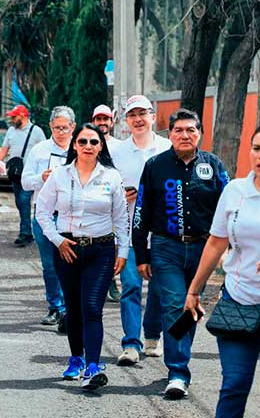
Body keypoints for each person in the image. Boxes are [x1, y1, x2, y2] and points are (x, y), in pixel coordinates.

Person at [185, 124, 260, 417]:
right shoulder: (235, 191)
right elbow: (216, 243)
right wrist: (195, 290)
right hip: (238, 302)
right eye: (257, 148)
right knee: (234, 384)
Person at [132, 108, 229, 399]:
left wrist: (229, 249)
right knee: (175, 304)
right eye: (179, 130)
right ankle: (177, 372)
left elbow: (228, 207)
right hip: (166, 248)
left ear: (199, 133)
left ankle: (177, 354)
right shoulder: (155, 166)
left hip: (204, 248)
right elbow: (141, 212)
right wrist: (141, 254)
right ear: (170, 134)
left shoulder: (213, 165)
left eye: (191, 130)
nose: (185, 135)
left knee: (192, 306)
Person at [36, 122, 128, 390]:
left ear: (101, 147)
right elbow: (42, 212)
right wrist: (57, 240)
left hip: (100, 250)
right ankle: (76, 359)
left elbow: (121, 218)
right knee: (73, 308)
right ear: (74, 144)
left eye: (94, 142)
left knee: (91, 307)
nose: (88, 146)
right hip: (67, 250)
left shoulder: (111, 177)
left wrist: (122, 252)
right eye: (83, 141)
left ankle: (93, 366)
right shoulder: (60, 176)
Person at [110, 95, 170, 366]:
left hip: (161, 234)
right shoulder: (117, 153)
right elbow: (107, 189)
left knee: (158, 289)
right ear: (126, 121)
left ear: (153, 116)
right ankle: (131, 344)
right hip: (130, 231)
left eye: (142, 113)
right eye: (132, 115)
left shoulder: (167, 148)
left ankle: (153, 336)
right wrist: (122, 195)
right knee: (131, 287)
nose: (138, 119)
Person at [21, 106, 74, 328]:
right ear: (50, 127)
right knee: (50, 264)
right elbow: (25, 182)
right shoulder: (40, 150)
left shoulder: (81, 147)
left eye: (65, 128)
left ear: (73, 127)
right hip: (45, 214)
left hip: (72, 215)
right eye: (56, 128)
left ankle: (72, 308)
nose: (61, 132)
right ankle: (55, 307)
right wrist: (41, 178)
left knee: (71, 262)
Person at [0, 105, 46, 247]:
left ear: (23, 116)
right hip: (16, 174)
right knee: (19, 203)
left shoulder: (36, 131)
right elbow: (4, 149)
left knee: (24, 201)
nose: (12, 120)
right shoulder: (11, 131)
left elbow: (45, 150)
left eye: (14, 117)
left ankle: (25, 233)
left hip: (31, 175)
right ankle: (28, 232)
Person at [91, 104, 122, 303]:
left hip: (116, 203)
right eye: (98, 119)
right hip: (94, 204)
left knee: (116, 244)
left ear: (112, 121)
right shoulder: (87, 143)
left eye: (106, 119)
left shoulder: (121, 146)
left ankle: (111, 278)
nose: (102, 123)